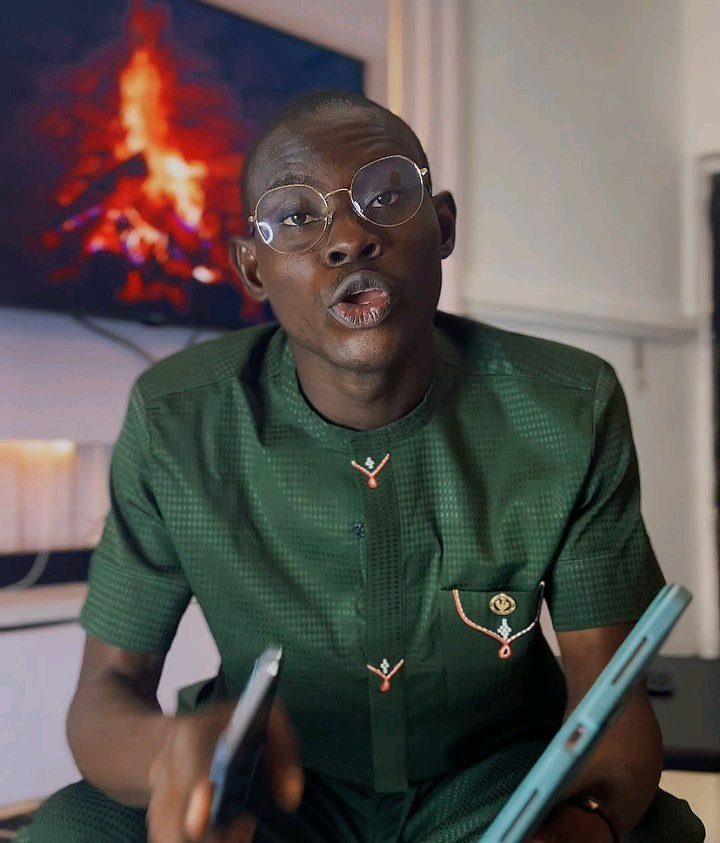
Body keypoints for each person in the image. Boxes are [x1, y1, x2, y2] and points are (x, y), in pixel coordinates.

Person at [17, 91, 705, 843]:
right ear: (252, 269)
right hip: (274, 800)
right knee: (73, 828)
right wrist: (170, 759)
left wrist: (582, 825)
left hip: (491, 786)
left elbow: (610, 692)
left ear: (443, 226)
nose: (348, 238)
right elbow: (107, 690)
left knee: (655, 831)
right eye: (294, 217)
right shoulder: (175, 420)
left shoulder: (568, 407)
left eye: (385, 196)